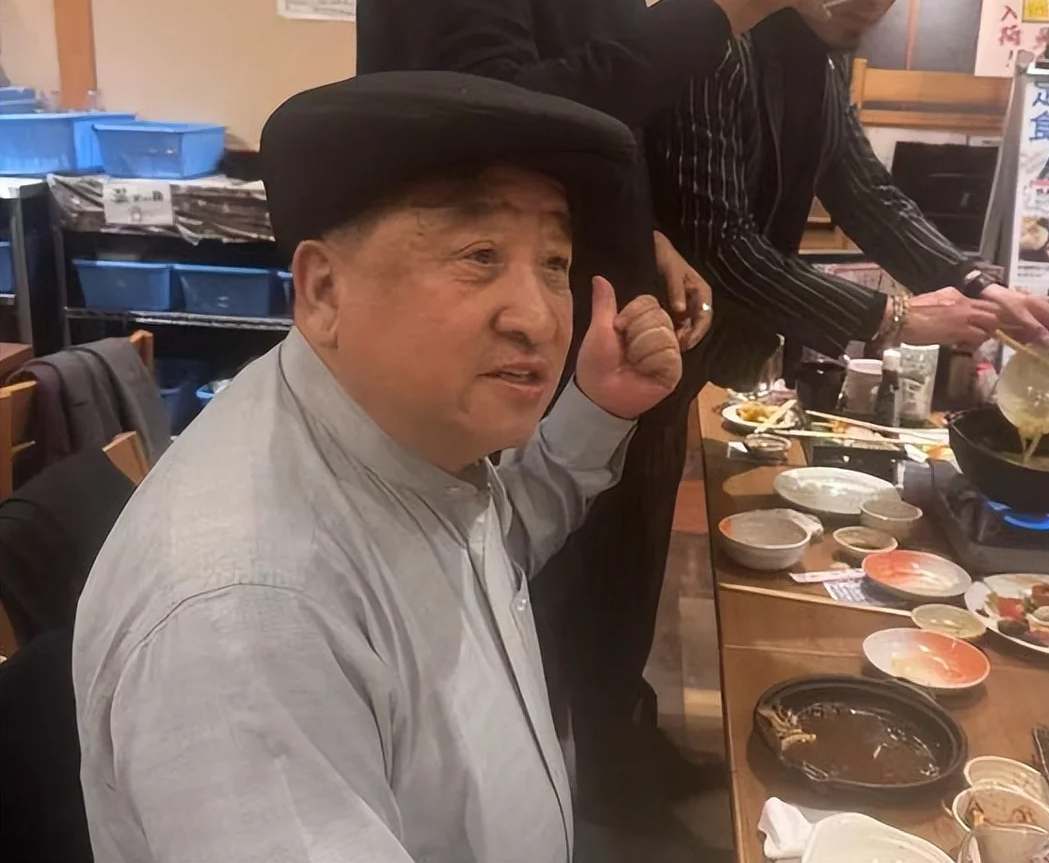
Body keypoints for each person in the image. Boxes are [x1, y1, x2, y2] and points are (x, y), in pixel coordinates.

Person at [353, 0, 865, 818]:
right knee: (508, 654)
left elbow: (584, 134)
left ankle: (608, 783)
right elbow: (493, 126)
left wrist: (654, 238)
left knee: (599, 604)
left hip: (595, 360)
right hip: (491, 375)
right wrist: (718, 2)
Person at [72, 71, 684, 863]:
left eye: (554, 262)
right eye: (479, 255)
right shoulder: (247, 618)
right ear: (323, 290)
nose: (538, 318)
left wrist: (599, 406)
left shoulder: (395, 433)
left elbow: (485, 549)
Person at [649, 0, 1049, 383]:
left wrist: (978, 286)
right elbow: (721, 246)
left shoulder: (823, 57)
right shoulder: (719, 43)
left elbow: (868, 195)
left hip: (722, 363)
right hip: (651, 359)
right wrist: (892, 317)